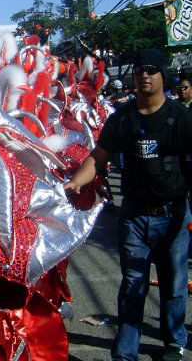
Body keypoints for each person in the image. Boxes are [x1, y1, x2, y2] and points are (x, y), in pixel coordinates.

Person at [65, 48, 192, 361]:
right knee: (133, 284)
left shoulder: (180, 118)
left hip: (173, 213)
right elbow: (99, 156)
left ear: (163, 75)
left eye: (151, 69)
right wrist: (77, 181)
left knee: (174, 285)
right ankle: (125, 352)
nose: (144, 75)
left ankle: (174, 342)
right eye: (139, 70)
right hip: (134, 215)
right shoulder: (122, 119)